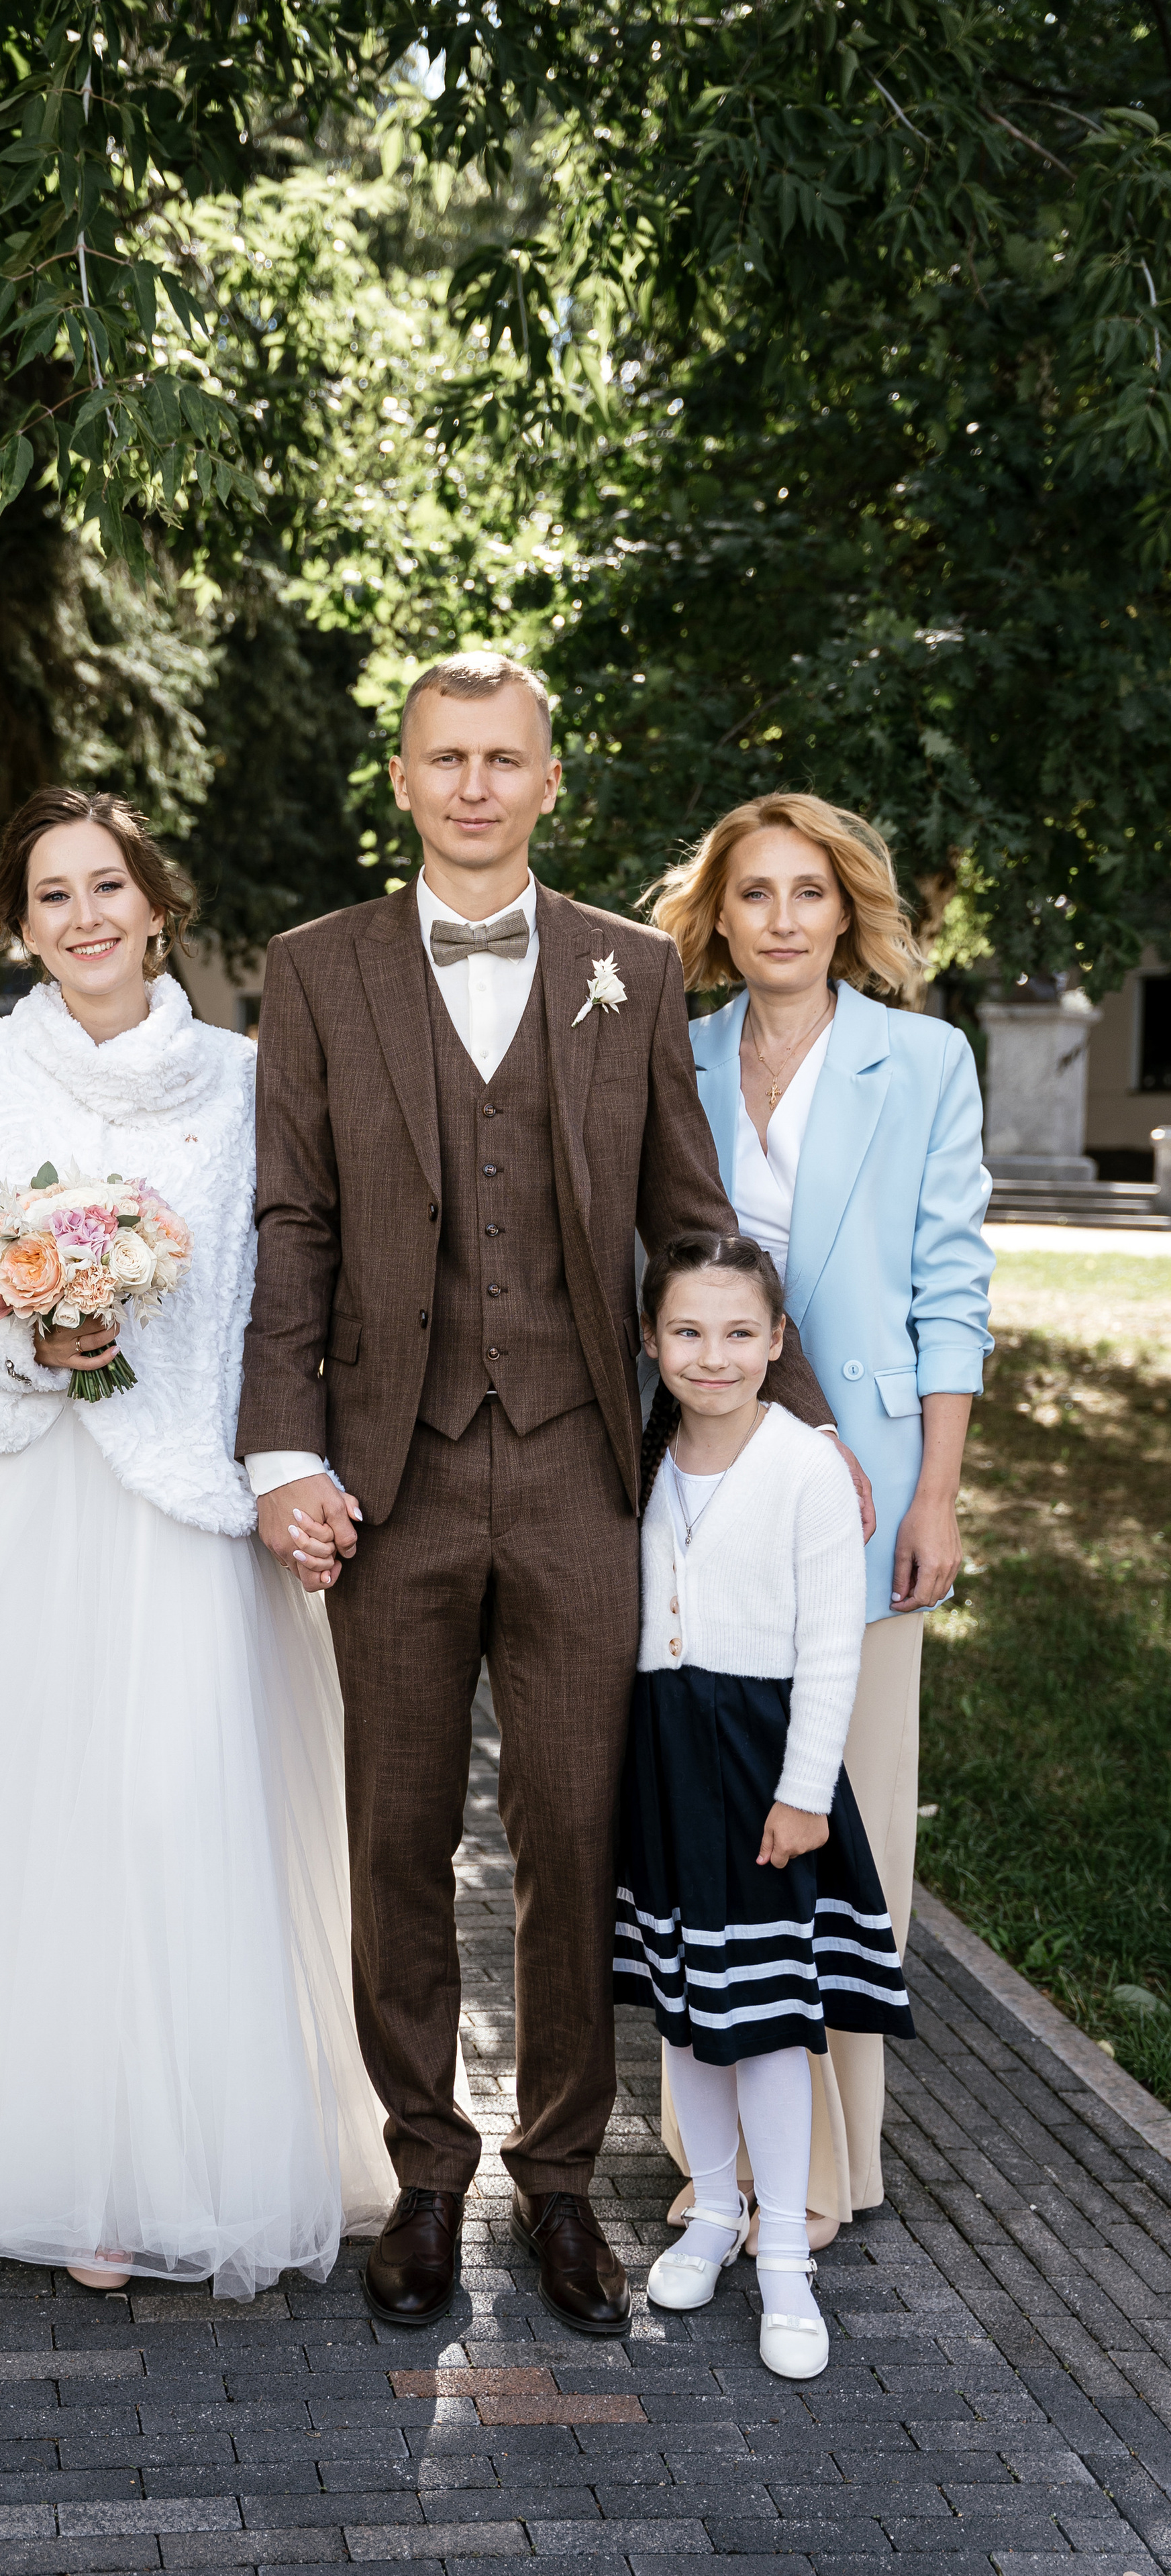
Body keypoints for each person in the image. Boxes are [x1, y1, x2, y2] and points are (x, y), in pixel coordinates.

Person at [236, 653, 866, 2334]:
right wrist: (281, 1451)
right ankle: (425, 2173)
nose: (471, 786)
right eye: (443, 759)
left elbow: (687, 1210)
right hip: (395, 1474)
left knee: (580, 1833)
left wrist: (796, 1427)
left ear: (547, 781)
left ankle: (566, 2181)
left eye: (501, 760)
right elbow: (288, 1223)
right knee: (394, 1833)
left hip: (594, 1476)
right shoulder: (310, 972)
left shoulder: (629, 968)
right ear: (398, 777)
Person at [0, 787, 395, 2296]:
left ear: (157, 904)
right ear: (17, 925)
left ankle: (171, 2159)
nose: (84, 918)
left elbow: (281, 1298)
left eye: (107, 886)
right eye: (51, 895)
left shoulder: (249, 1078)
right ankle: (34, 2163)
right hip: (26, 1487)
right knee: (27, 1807)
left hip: (183, 1495)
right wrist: (34, 1340)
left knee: (170, 1808)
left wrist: (275, 1460)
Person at [649, 791, 992, 2243]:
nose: (780, 918)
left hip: (861, 1475)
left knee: (844, 1810)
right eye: (752, 895)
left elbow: (948, 1284)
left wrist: (932, 1489)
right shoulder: (677, 1056)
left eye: (807, 893)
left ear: (844, 912)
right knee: (700, 1809)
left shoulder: (919, 1060)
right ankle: (709, 2161)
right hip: (698, 1465)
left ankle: (839, 2160)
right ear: (715, 917)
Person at [615, 1231, 914, 2381]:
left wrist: (803, 1792)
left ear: (777, 1343)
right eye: (687, 1331)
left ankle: (786, 2250)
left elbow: (833, 1649)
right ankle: (713, 2215)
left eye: (741, 1333)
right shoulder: (641, 1457)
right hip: (667, 1759)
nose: (713, 1354)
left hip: (763, 1767)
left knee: (774, 2020)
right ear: (652, 1340)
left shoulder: (802, 1470)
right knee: (693, 2006)